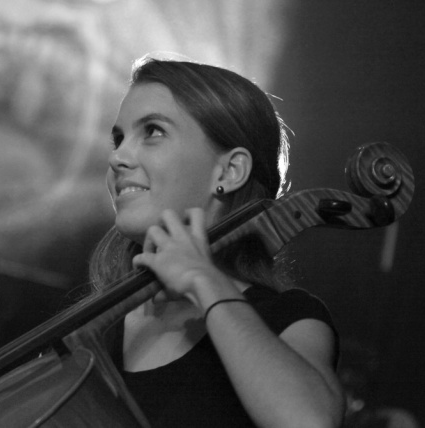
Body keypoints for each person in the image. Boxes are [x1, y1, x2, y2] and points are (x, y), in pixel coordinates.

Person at [88, 55, 345, 428]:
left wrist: (204, 281)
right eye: (118, 138)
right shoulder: (92, 334)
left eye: (153, 131)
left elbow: (307, 422)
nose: (117, 157)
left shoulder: (285, 319)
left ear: (229, 171)